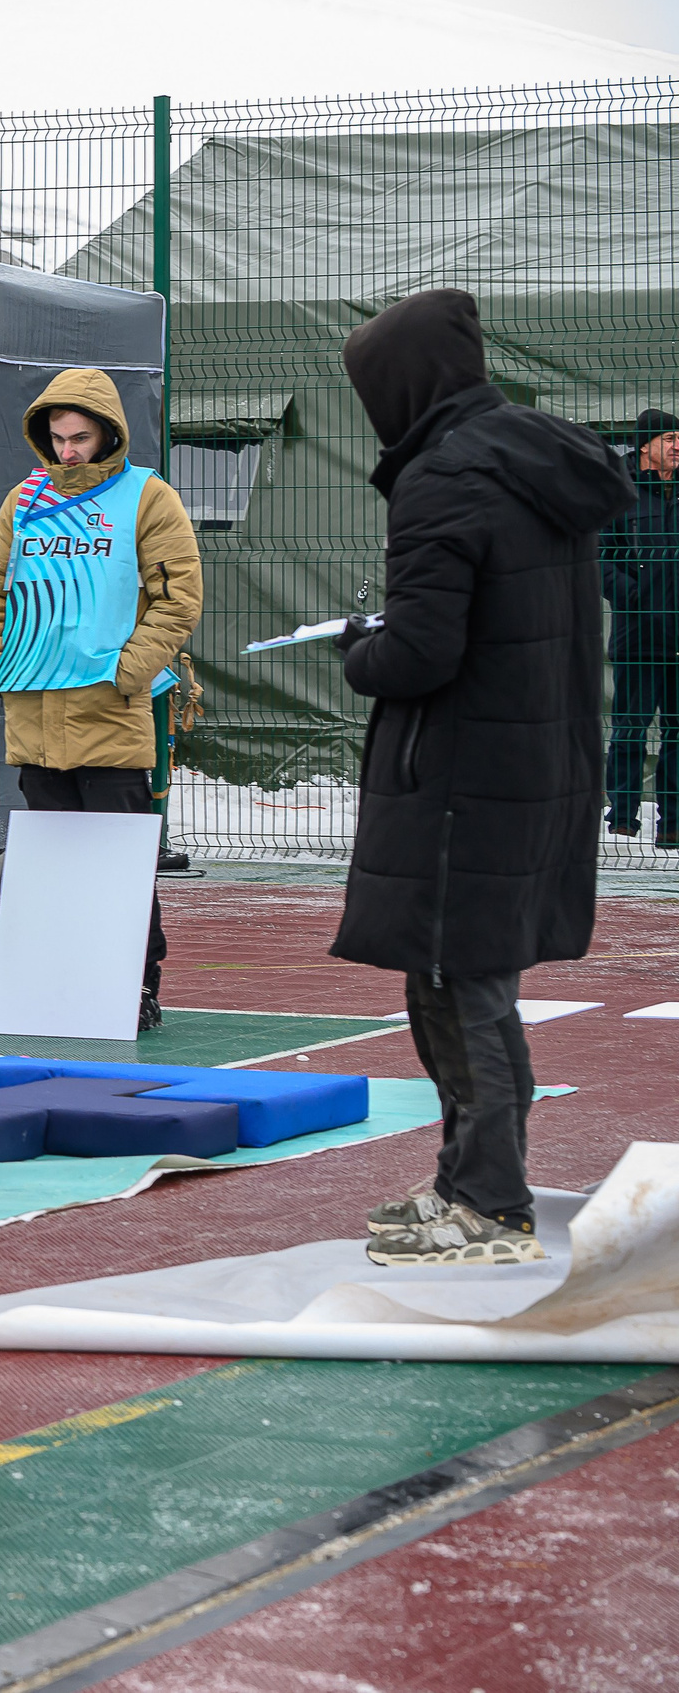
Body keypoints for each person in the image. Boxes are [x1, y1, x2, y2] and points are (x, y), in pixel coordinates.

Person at [334, 289, 633, 1268]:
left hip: (463, 773)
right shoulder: (530, 456)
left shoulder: (443, 478)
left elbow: (420, 652)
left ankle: (490, 1205)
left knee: (460, 986)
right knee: (462, 979)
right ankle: (468, 1180)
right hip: (529, 759)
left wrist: (357, 647)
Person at [0, 368, 202, 1032]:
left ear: (108, 433)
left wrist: (130, 671)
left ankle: (138, 988)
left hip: (112, 718)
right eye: (57, 437)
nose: (68, 450)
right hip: (37, 721)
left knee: (120, 873)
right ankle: (59, 986)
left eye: (80, 437)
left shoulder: (146, 496)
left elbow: (178, 596)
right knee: (52, 873)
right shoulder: (23, 500)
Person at [605, 407, 679, 845]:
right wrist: (634, 597)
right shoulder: (620, 492)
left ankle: (671, 822)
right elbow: (601, 557)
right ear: (646, 445)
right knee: (630, 728)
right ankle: (623, 820)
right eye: (669, 438)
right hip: (638, 635)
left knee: (678, 730)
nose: (677, 446)